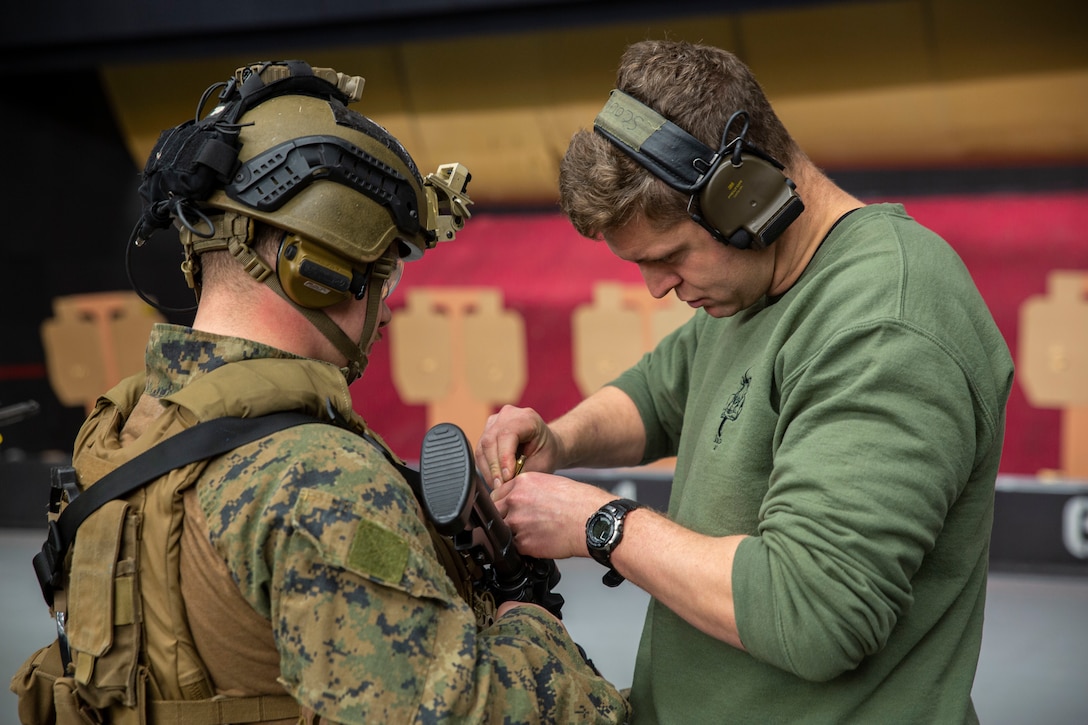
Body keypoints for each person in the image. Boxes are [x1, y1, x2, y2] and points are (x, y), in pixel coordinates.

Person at [11, 60, 628, 724]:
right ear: (320, 271)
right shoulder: (321, 480)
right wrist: (529, 625)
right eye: (381, 274)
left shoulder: (124, 430)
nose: (386, 311)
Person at [477, 40, 1014, 724]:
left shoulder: (885, 322)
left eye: (670, 256)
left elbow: (814, 610)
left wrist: (599, 523)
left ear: (747, 198)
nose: (657, 286)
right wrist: (560, 439)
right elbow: (661, 390)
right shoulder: (752, 284)